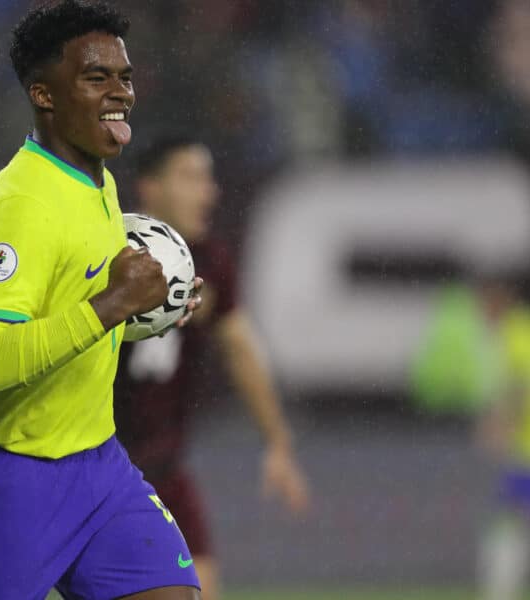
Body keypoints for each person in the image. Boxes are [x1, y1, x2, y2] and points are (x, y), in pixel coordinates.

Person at [0, 2, 205, 599]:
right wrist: (114, 304)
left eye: (124, 77)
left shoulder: (98, 180)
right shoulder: (21, 204)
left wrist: (149, 312)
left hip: (97, 467)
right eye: (96, 78)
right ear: (44, 95)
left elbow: (72, 317)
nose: (120, 92)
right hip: (3, 478)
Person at [114, 135, 310, 599]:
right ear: (150, 188)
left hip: (163, 468)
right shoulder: (107, 252)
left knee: (202, 590)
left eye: (208, 179)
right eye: (191, 177)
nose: (209, 191)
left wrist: (277, 442)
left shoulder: (211, 263)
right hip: (95, 468)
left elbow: (240, 346)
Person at [474, 279, 530, 600]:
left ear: (497, 300)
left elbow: (524, 387)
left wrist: (500, 425)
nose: (480, 313)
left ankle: (500, 593)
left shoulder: (520, 333)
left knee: (509, 518)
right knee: (518, 517)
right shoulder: (527, 330)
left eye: (482, 304)